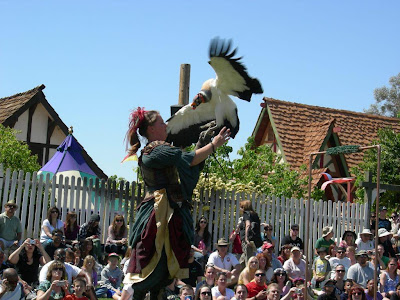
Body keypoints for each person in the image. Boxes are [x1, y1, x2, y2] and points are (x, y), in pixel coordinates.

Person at [123, 108, 231, 299]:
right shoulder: (156, 150)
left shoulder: (161, 148)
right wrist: (212, 145)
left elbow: (188, 161)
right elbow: (187, 159)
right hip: (159, 216)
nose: (166, 125)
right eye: (161, 123)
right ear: (151, 129)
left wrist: (202, 142)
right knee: (153, 265)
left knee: (164, 270)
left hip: (169, 212)